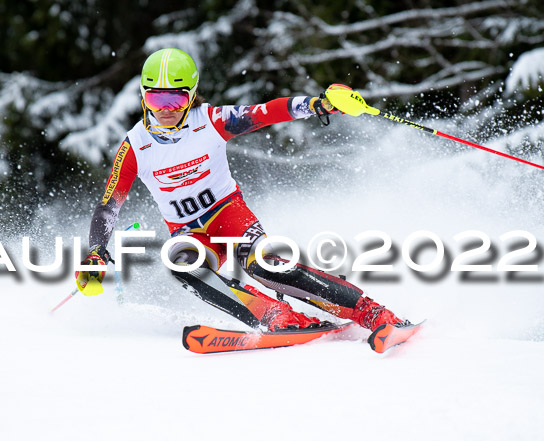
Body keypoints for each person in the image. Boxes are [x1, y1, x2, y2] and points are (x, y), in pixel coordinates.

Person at [76, 48, 409, 333]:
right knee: (181, 265)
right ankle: (275, 317)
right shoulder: (135, 145)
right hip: (189, 232)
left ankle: (370, 312)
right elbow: (108, 206)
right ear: (144, 98)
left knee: (262, 266)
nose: (166, 109)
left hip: (227, 214)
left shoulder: (210, 121)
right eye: (156, 98)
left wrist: (318, 104)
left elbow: (265, 112)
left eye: (175, 98)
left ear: (191, 94)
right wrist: (96, 251)